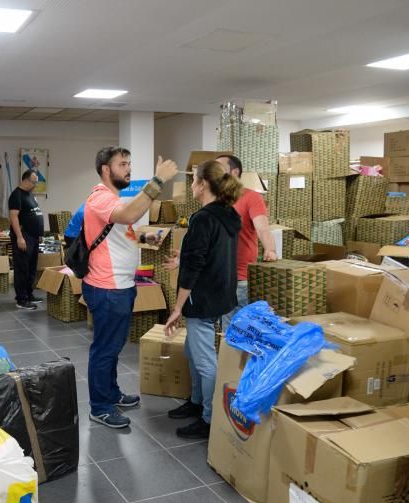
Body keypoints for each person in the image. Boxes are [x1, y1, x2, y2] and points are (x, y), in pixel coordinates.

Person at [82, 146, 179, 428]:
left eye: (128, 164)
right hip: (107, 288)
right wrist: (157, 181)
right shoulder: (100, 198)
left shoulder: (114, 198)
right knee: (105, 349)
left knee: (113, 346)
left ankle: (110, 393)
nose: (128, 169)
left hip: (121, 286)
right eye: (122, 164)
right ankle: (99, 407)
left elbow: (123, 231)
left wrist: (147, 239)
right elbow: (127, 216)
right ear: (105, 170)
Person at [163, 160, 242, 438]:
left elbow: (195, 266)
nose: (192, 185)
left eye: (194, 180)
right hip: (221, 295)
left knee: (206, 362)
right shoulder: (228, 214)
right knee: (192, 351)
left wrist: (177, 308)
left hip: (202, 298)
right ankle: (196, 403)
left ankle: (209, 418)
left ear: (203, 184)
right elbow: (209, 254)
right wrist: (183, 258)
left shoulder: (203, 218)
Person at [215, 154, 277, 331]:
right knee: (222, 326)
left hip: (239, 277)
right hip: (217, 276)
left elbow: (262, 228)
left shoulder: (251, 197)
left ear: (235, 172)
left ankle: (233, 359)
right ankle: (226, 358)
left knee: (235, 327)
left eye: (220, 168)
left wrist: (270, 249)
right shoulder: (216, 199)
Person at [9, 170, 45, 310]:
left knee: (31, 268)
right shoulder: (16, 195)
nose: (35, 184)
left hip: (34, 237)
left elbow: (34, 213)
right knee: (22, 269)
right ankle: (21, 299)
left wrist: (39, 233)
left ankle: (29, 295)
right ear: (25, 180)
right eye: (34, 182)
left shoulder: (29, 195)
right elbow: (13, 217)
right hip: (24, 237)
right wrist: (19, 237)